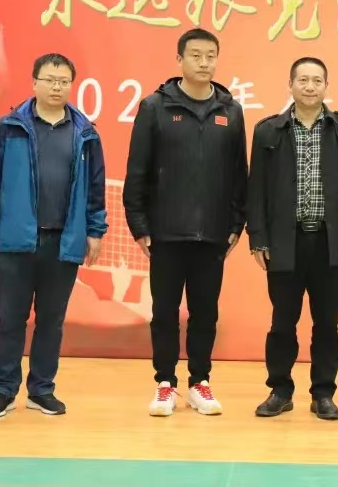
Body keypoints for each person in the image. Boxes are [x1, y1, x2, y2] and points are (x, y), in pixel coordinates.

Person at [0, 53, 107, 418]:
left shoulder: (86, 133)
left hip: (63, 242)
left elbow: (95, 189)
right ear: (34, 82)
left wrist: (95, 231)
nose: (56, 87)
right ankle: (3, 391)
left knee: (51, 320)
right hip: (16, 241)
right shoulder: (8, 127)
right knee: (10, 319)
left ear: (71, 85)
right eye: (49, 79)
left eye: (63, 81)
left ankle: (41, 390)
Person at [124, 28, 248, 417]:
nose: (204, 62)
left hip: (213, 233)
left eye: (210, 55)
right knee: (164, 312)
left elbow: (239, 174)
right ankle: (165, 383)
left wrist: (236, 223)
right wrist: (140, 226)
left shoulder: (231, 111)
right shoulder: (155, 107)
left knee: (205, 312)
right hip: (166, 232)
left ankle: (199, 383)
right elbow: (137, 170)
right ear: (179, 60)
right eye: (195, 55)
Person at [246, 57, 338, 421]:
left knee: (327, 323)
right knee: (283, 322)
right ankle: (280, 391)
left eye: (317, 80)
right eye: (303, 80)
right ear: (291, 85)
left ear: (326, 86)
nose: (310, 86)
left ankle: (323, 393)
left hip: (330, 243)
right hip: (285, 241)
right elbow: (256, 189)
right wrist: (258, 239)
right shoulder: (269, 131)